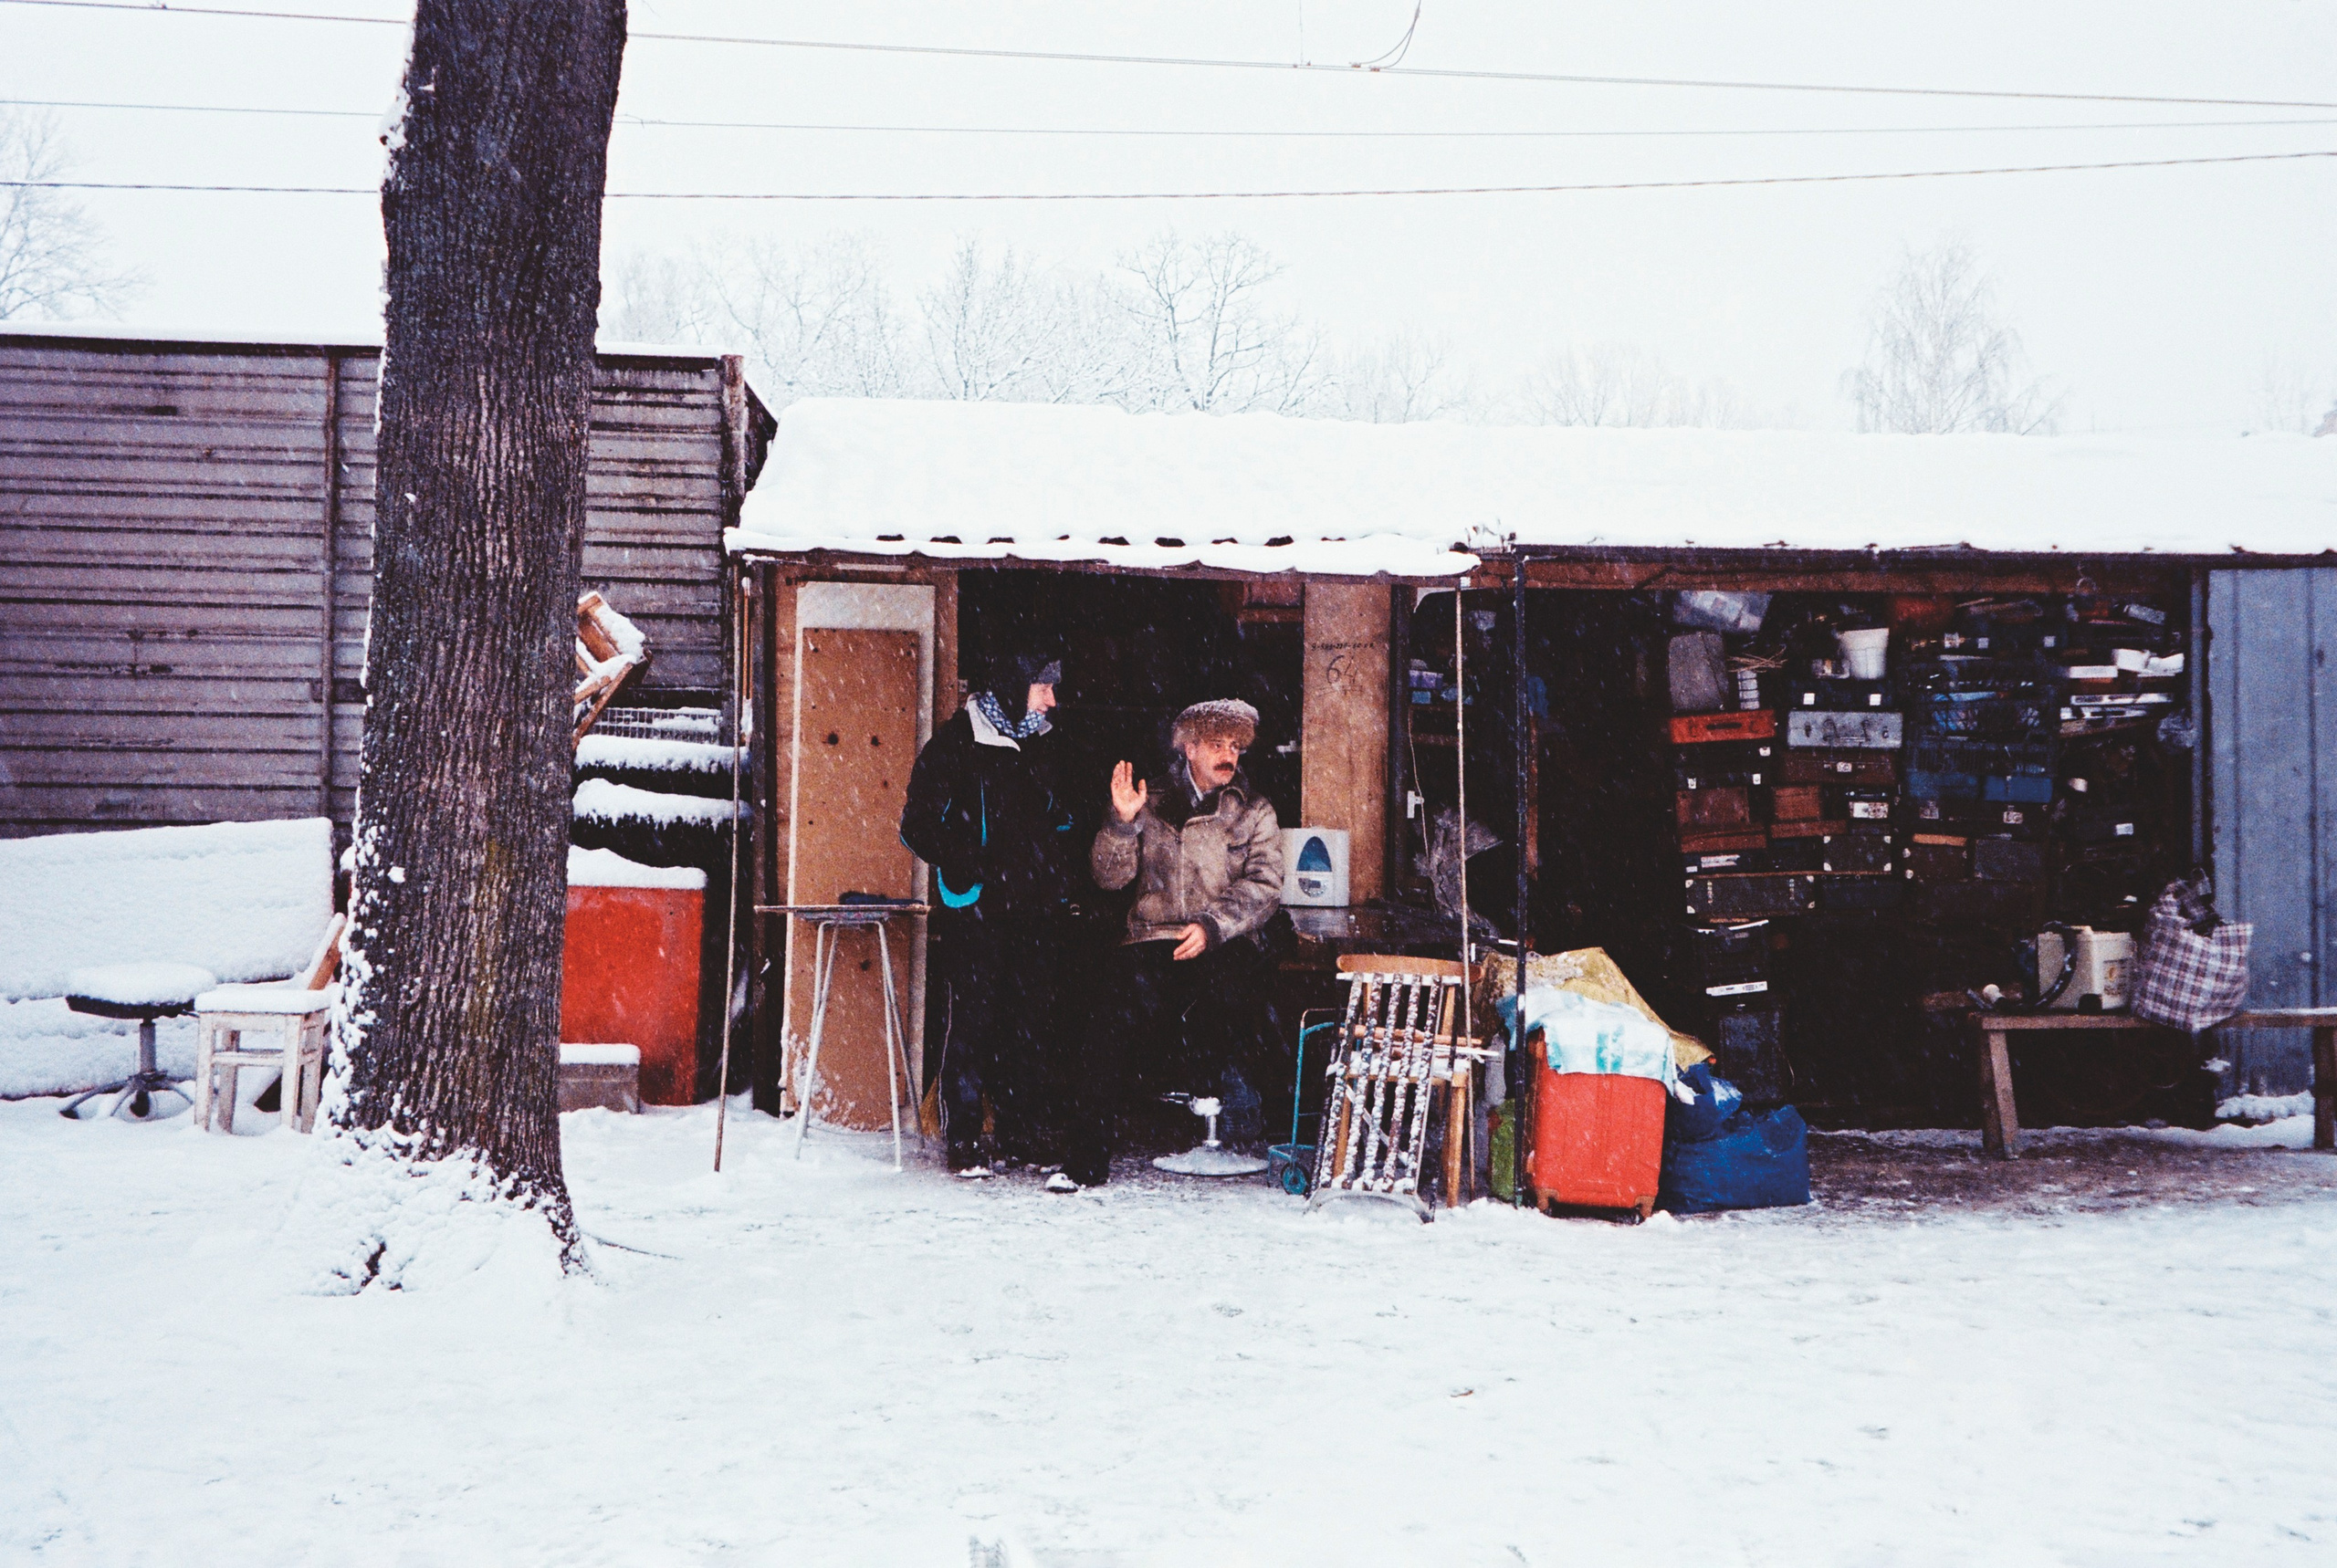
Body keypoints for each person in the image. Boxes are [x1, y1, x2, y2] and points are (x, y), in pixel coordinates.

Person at [1066, 698, 1286, 1188]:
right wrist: (1122, 824)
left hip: (1224, 939)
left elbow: (1266, 885)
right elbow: (1107, 878)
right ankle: (1084, 1162)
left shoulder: (1253, 810)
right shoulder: (1150, 801)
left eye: (1235, 746)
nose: (1229, 755)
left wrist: (1212, 925)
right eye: (1216, 745)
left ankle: (1226, 1121)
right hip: (1154, 937)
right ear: (1188, 748)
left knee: (1233, 996)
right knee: (1108, 1014)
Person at [898, 646, 1078, 1179]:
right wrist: (973, 864)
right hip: (976, 907)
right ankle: (964, 1138)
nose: (1051, 698)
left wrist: (1053, 866)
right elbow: (916, 826)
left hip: (1034, 909)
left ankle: (1020, 1130)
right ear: (1013, 682)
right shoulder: (955, 745)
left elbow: (1063, 818)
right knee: (973, 1021)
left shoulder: (1043, 747)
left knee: (1028, 1022)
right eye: (1042, 685)